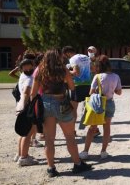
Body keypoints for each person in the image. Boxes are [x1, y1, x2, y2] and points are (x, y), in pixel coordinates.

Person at [31, 49, 92, 177]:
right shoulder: (63, 70)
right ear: (58, 58)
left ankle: (51, 168)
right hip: (62, 102)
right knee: (69, 137)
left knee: (49, 139)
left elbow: (33, 92)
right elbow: (72, 87)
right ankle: (77, 164)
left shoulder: (40, 70)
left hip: (46, 104)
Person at [79, 55, 122, 160]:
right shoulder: (116, 76)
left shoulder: (97, 77)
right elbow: (119, 92)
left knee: (92, 128)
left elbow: (91, 92)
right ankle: (103, 151)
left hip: (98, 104)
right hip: (110, 103)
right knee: (107, 128)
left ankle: (85, 151)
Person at [62, 46, 92, 135]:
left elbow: (76, 72)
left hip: (77, 86)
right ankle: (94, 129)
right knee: (89, 108)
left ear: (67, 53)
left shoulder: (73, 59)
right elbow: (93, 69)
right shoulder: (85, 57)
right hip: (88, 84)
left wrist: (66, 70)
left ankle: (73, 131)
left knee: (73, 110)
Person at [14, 59, 39, 166]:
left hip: (24, 105)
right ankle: (24, 157)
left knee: (23, 132)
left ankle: (19, 154)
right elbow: (26, 93)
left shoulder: (23, 76)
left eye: (30, 66)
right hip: (29, 106)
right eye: (26, 67)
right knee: (28, 132)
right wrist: (22, 104)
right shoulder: (29, 79)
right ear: (22, 68)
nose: (28, 69)